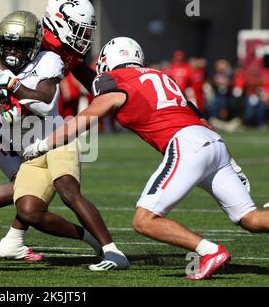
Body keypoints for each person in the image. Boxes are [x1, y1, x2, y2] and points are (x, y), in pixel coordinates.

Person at [23, 37, 269, 280]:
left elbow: (85, 118)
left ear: (109, 61)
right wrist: (231, 161)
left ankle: (210, 251)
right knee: (251, 218)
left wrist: (43, 144)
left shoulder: (116, 81)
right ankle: (210, 251)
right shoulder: (163, 77)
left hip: (187, 144)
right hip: (213, 142)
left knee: (144, 221)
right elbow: (200, 119)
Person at [0, 10, 130, 271]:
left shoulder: (49, 59)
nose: (13, 52)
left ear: (34, 46)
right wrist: (7, 111)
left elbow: (45, 103)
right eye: (8, 45)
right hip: (27, 147)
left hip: (54, 136)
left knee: (67, 189)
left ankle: (113, 251)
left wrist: (11, 86)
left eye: (20, 47)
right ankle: (95, 244)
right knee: (30, 211)